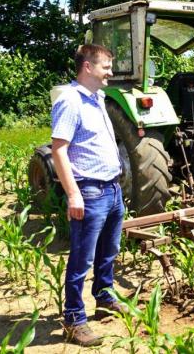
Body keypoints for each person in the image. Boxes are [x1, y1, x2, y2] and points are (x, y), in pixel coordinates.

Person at [51, 44, 127, 346]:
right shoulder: (71, 101)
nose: (110, 71)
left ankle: (104, 297)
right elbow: (59, 150)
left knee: (109, 251)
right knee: (82, 259)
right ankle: (74, 319)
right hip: (90, 191)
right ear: (87, 67)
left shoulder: (98, 98)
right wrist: (73, 195)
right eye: (106, 66)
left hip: (112, 188)